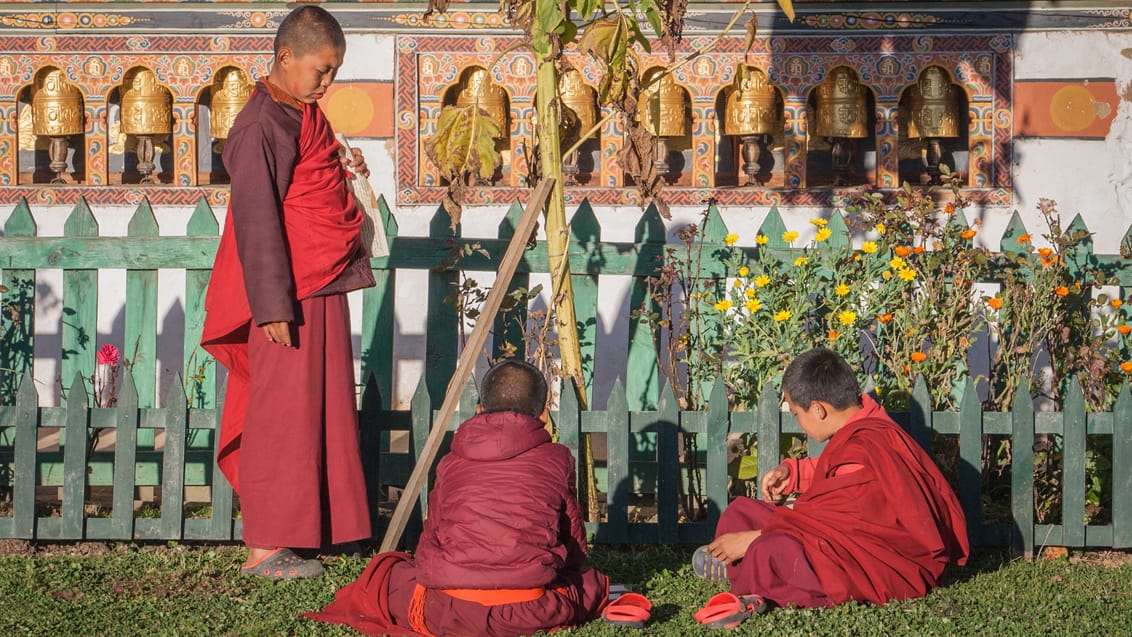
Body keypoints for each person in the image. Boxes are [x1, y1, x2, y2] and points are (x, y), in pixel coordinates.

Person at [201, 5, 374, 580]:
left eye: (334, 72)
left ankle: (316, 530)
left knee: (318, 411)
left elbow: (311, 187)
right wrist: (272, 304)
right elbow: (257, 221)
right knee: (280, 415)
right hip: (288, 295)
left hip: (318, 281)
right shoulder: (259, 125)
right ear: (285, 58)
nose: (327, 83)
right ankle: (267, 546)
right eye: (321, 70)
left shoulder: (297, 114)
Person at [305, 360, 618, 636]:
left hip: (447, 608)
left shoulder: (451, 460)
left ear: (479, 409)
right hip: (528, 608)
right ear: (544, 414)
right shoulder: (557, 459)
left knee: (389, 576)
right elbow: (574, 544)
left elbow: (433, 536)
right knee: (591, 585)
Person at [692, 348, 968, 627]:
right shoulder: (861, 425)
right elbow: (835, 471)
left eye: (796, 413)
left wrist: (750, 539)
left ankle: (753, 586)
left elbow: (830, 524)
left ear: (818, 409)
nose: (798, 422)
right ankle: (750, 570)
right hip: (835, 539)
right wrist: (792, 472)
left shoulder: (871, 439)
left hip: (881, 562)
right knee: (741, 511)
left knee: (769, 547)